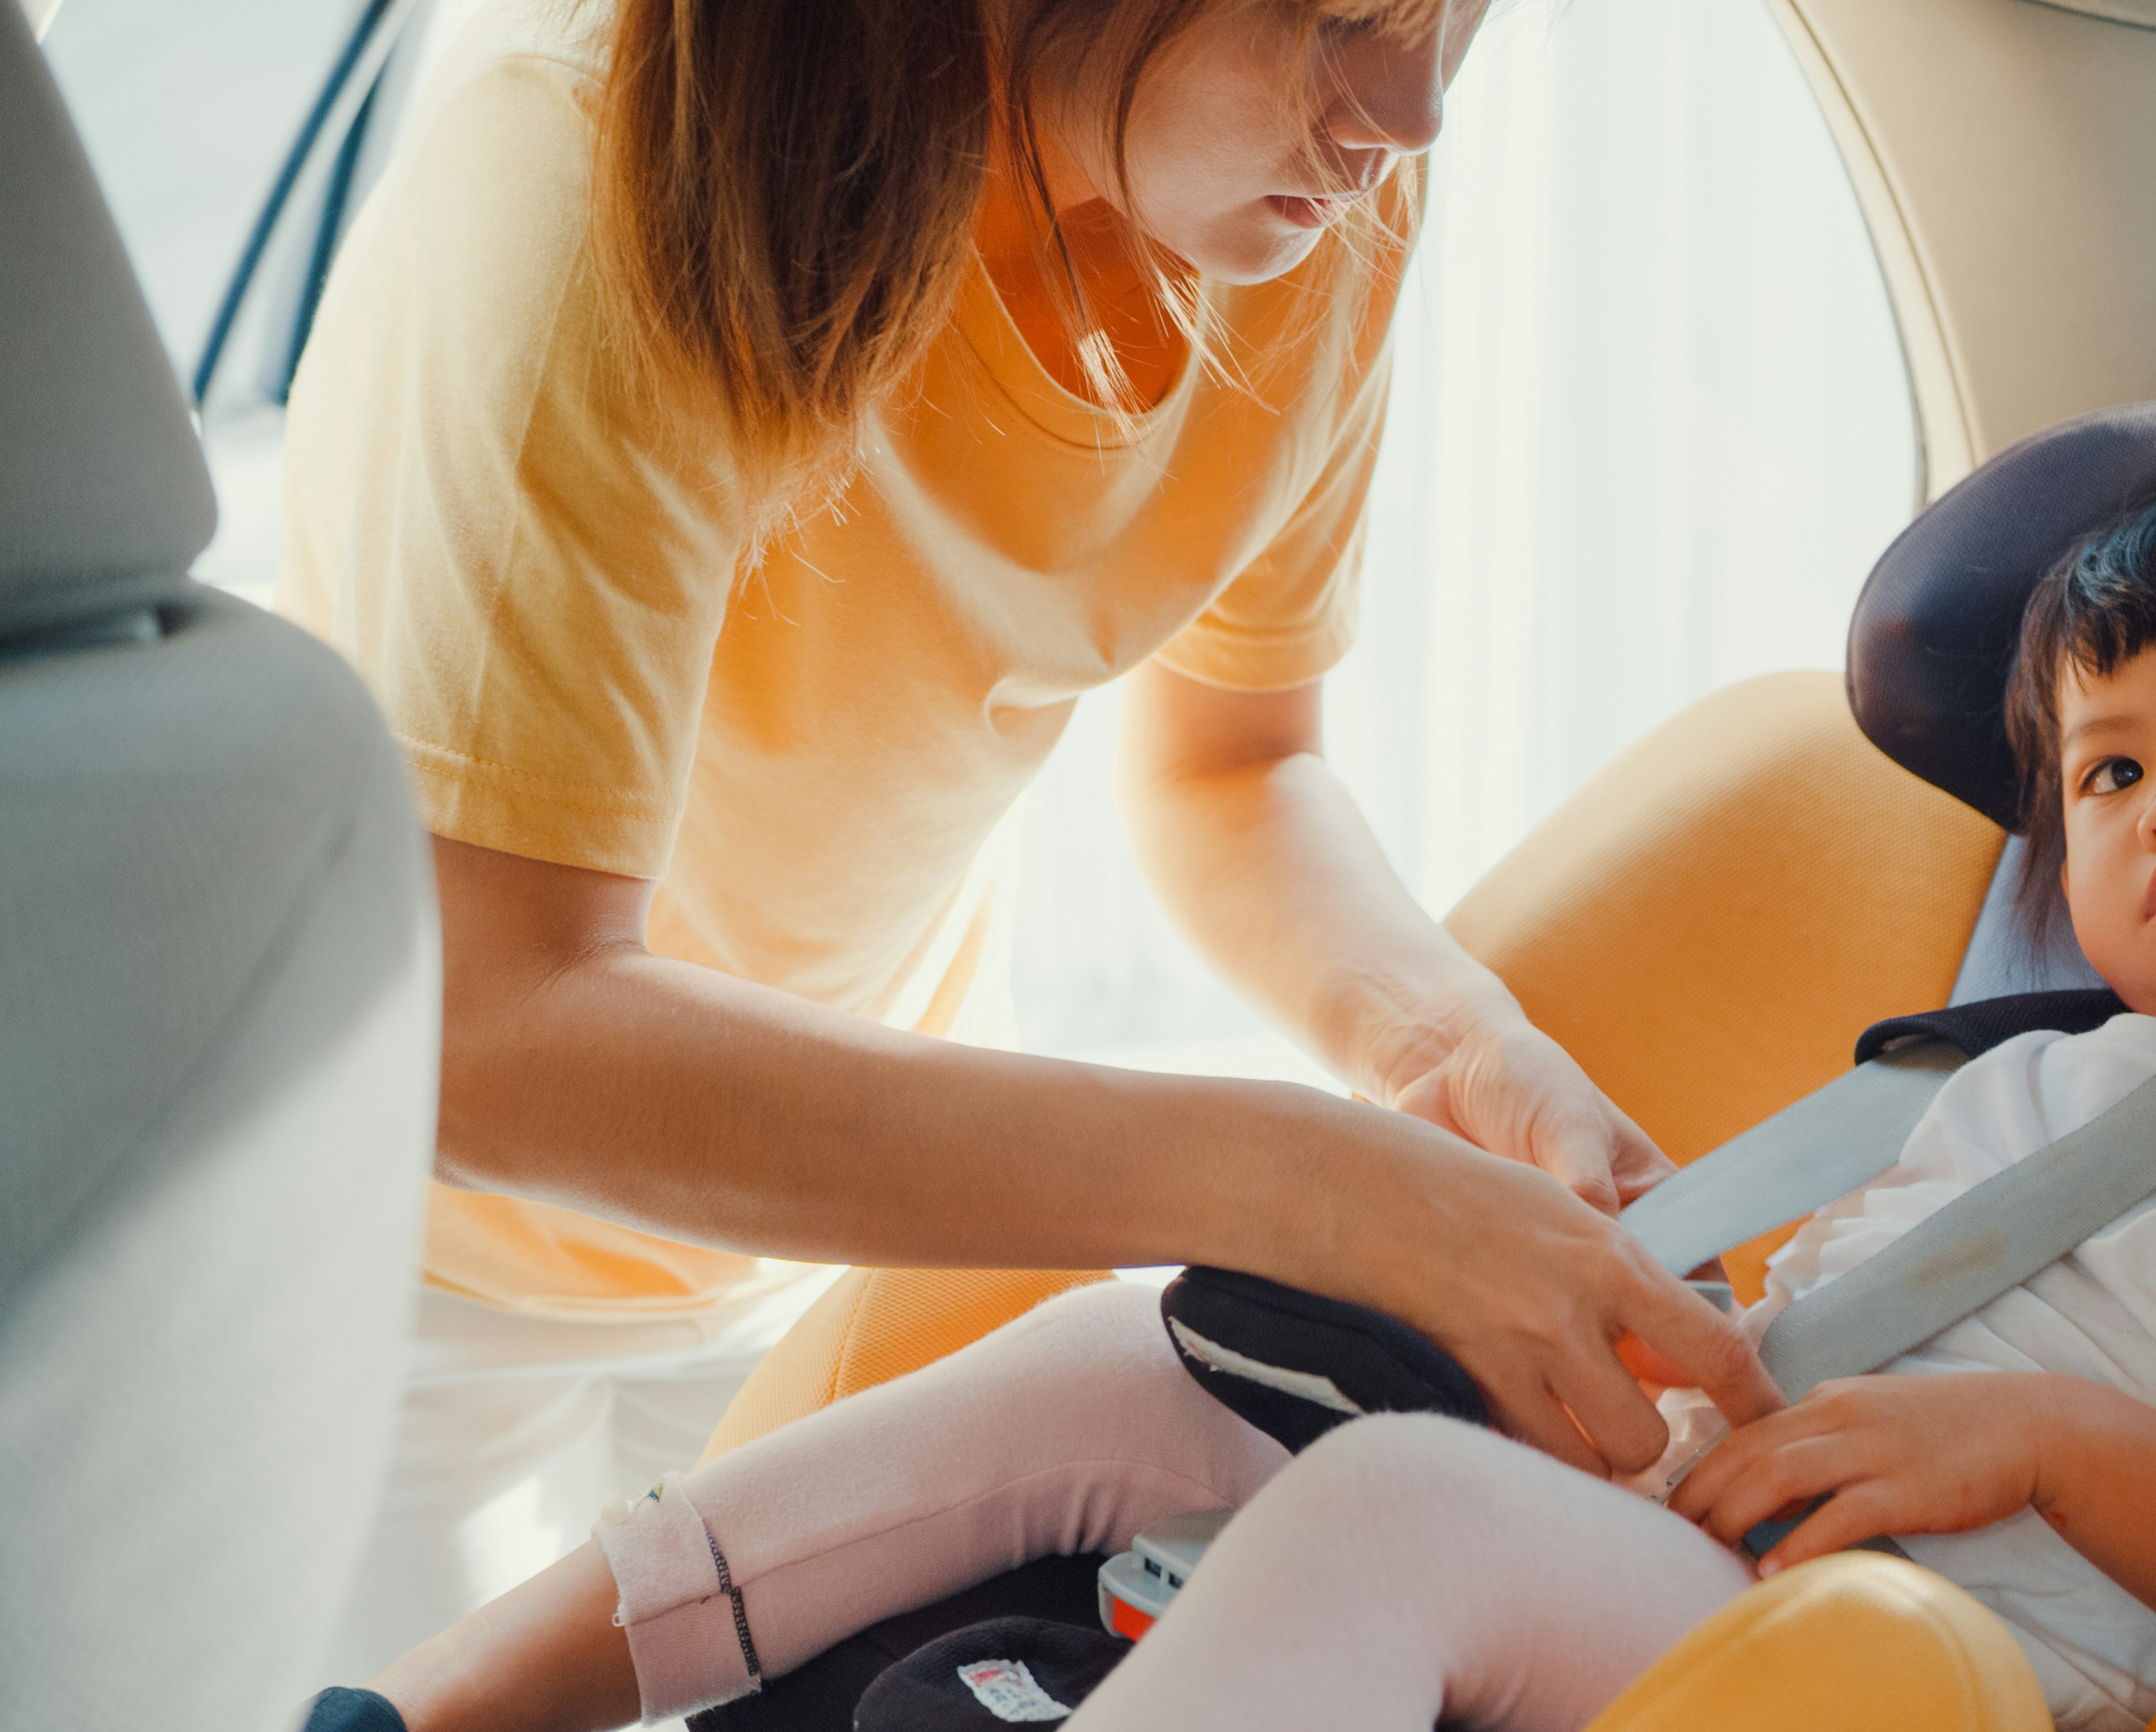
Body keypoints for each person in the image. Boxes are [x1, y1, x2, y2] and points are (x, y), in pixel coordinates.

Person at [307, 479, 2156, 1732]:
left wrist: (2040, 1446)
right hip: (1724, 1525)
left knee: (1397, 1504)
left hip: (1970, 1666)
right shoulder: (2010, 1074)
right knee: (1137, 1350)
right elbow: (1809, 1308)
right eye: (2112, 770)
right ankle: (460, 1705)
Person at [275, 0, 1773, 1683]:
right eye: (1345, 13)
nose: (1411, 111)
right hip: (394, 1258)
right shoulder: (588, 167)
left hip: (815, 1204)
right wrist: (1322, 1192)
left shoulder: (1311, 212)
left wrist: (1458, 1050)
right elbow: (489, 1032)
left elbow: (1236, 767)